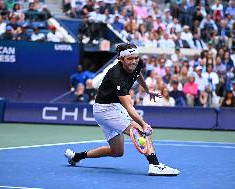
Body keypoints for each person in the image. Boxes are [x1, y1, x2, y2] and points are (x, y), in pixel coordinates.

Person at [65, 43, 180, 176]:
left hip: (110, 108)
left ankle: (76, 157)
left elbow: (138, 74)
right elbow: (129, 107)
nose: (134, 61)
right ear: (121, 59)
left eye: (136, 58)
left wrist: (148, 90)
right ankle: (154, 165)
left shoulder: (137, 63)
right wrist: (143, 124)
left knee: (117, 151)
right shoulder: (116, 75)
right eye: (130, 59)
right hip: (105, 110)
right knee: (139, 130)